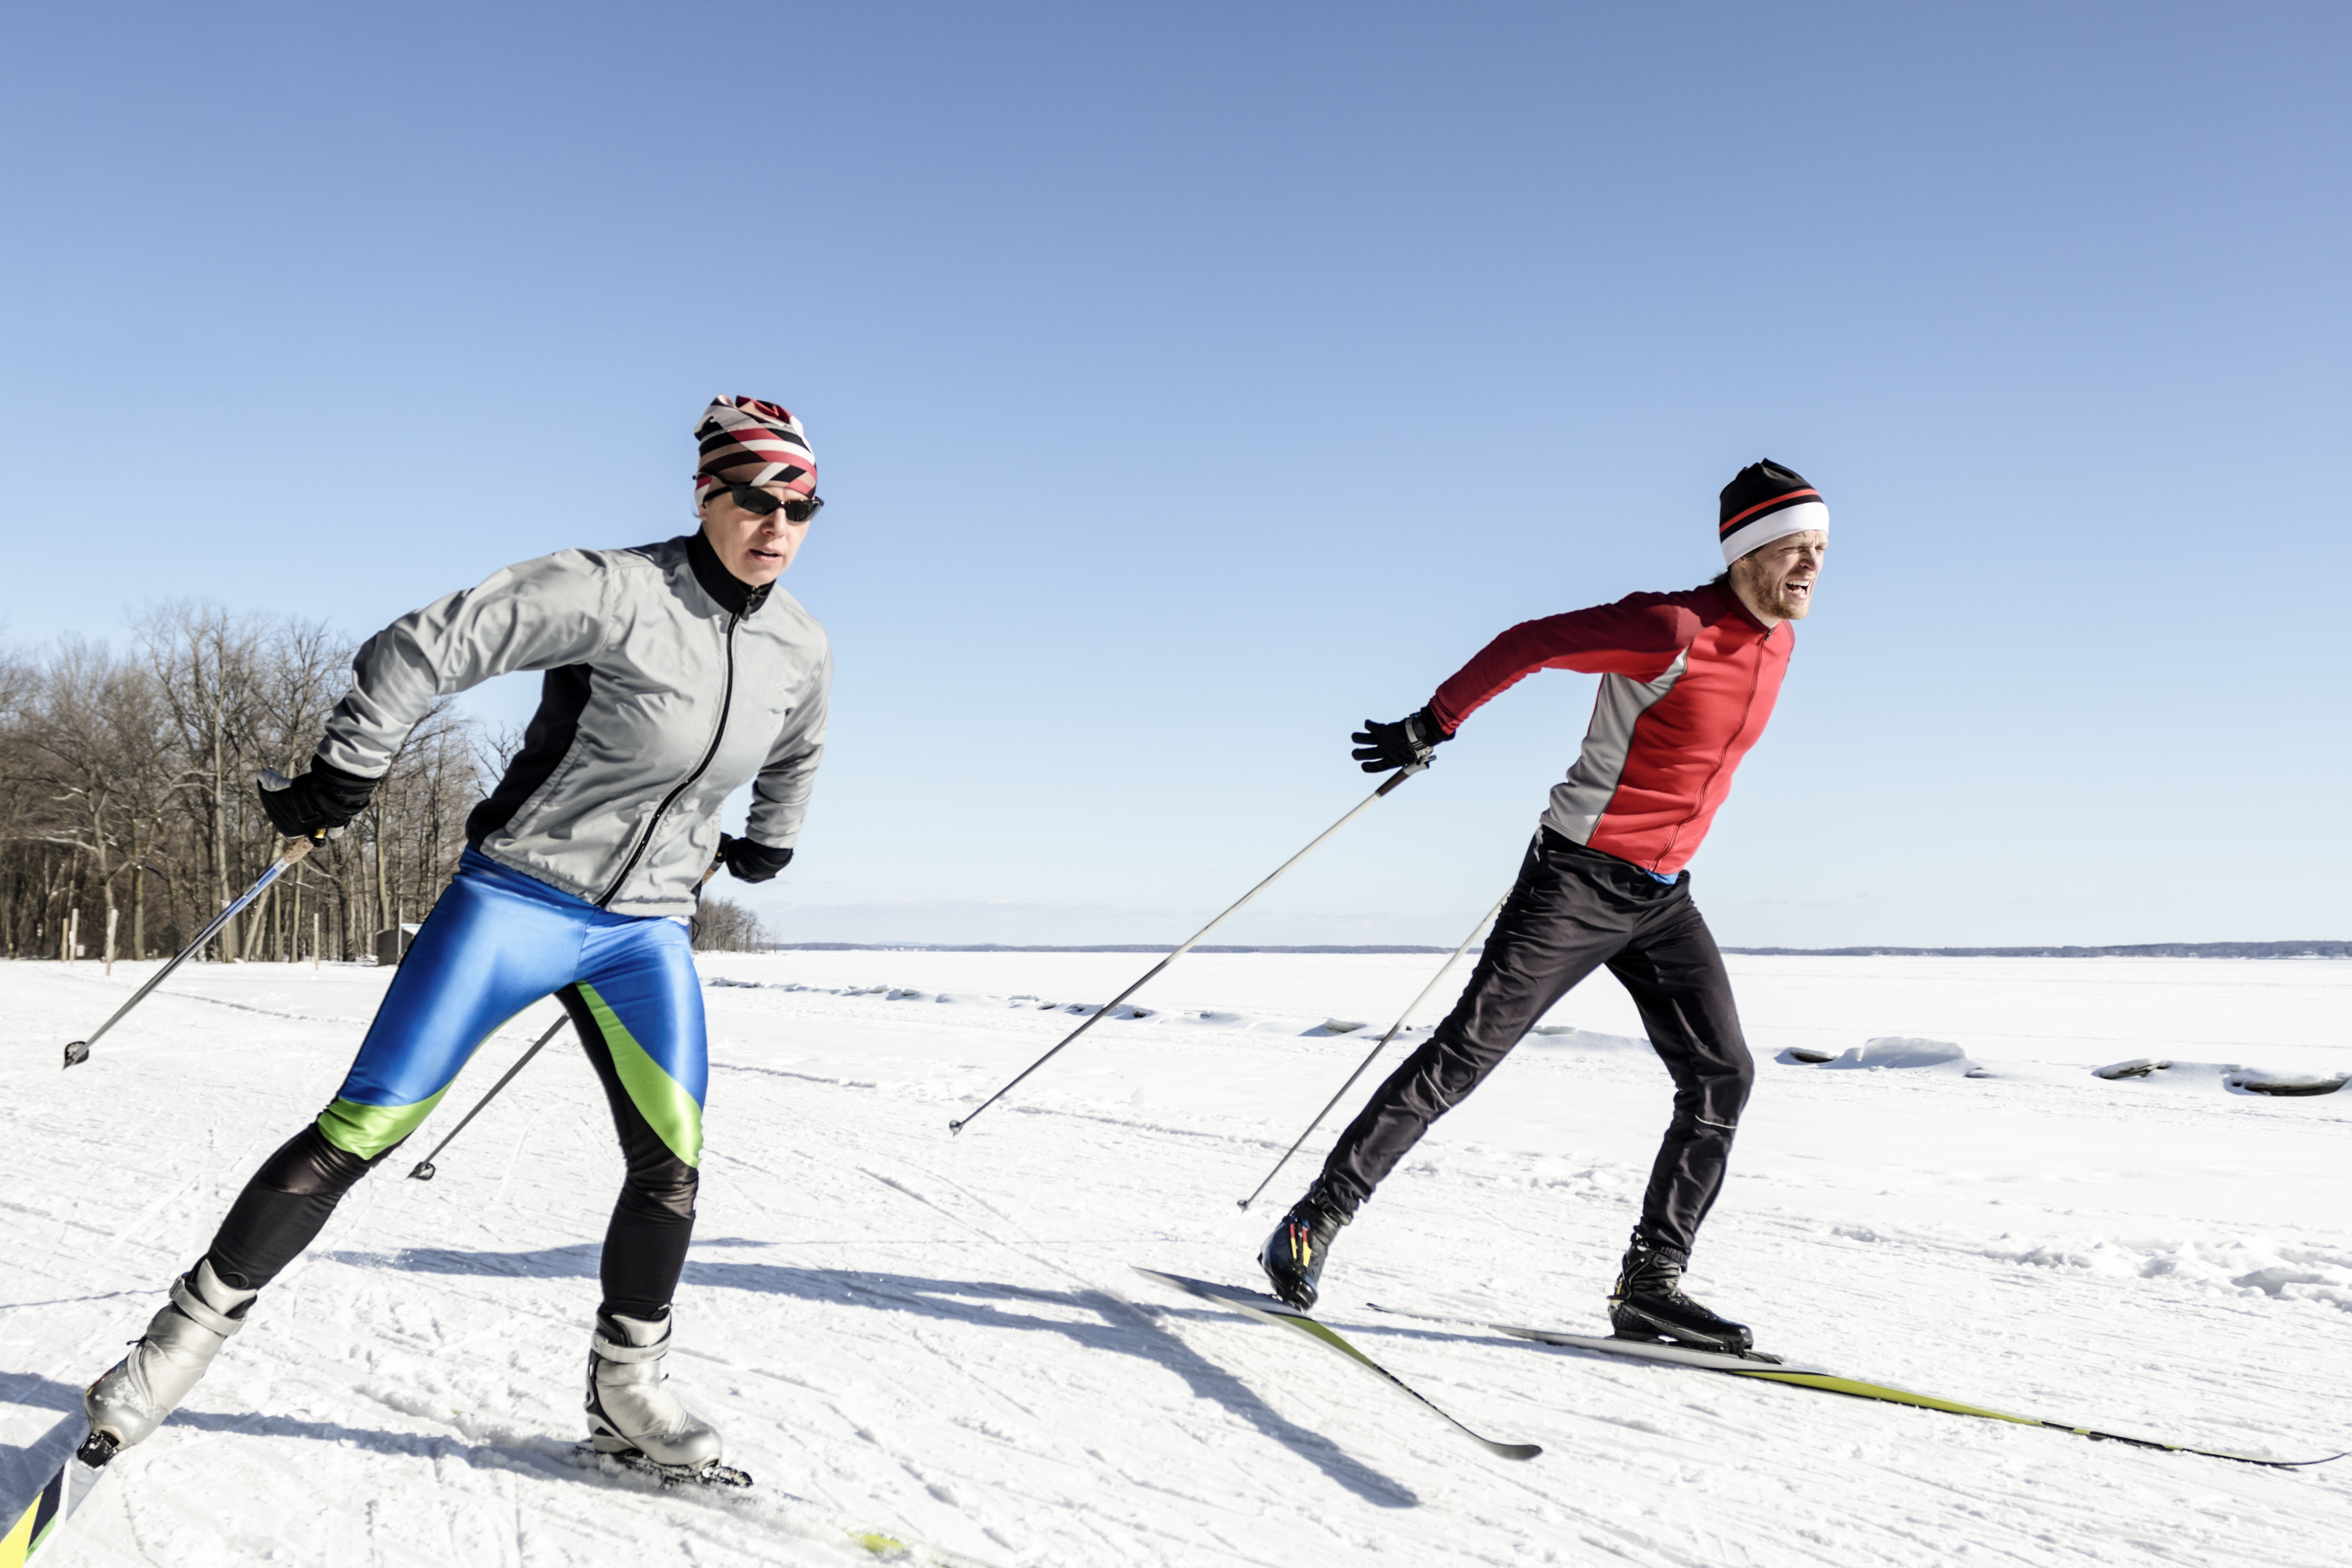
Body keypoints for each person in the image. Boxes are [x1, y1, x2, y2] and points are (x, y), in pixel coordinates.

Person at [84, 396, 832, 1477]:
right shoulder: (612, 589)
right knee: (359, 1131)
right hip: (519, 902)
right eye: (756, 499)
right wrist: (353, 763)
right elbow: (425, 644)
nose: (777, 524)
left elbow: (799, 747)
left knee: (671, 1165)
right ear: (707, 494)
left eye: (801, 507)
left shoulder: (799, 643)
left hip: (645, 932)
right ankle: (164, 1357)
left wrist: (772, 837)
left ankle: (628, 1394)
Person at [1259, 460, 1829, 1353]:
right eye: (1796, 547)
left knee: (1724, 1075)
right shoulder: (1670, 626)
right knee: (1465, 1055)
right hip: (1576, 881)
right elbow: (1530, 640)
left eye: (1823, 549)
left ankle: (1651, 1285)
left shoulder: (1781, 643)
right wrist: (1433, 722)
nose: (1812, 566)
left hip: (1664, 899)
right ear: (1748, 550)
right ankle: (1313, 1220)